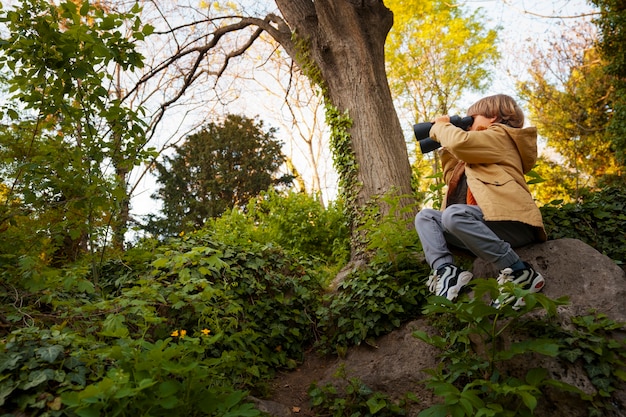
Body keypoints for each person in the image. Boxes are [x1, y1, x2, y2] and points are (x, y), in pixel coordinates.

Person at [414, 94, 547, 308]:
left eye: (471, 118)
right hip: (486, 226)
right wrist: (446, 146)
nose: (468, 123)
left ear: (493, 117)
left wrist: (442, 127)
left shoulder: (501, 136)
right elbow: (451, 177)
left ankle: (520, 272)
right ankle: (446, 272)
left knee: (454, 214)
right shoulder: (476, 151)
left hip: (513, 224)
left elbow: (461, 143)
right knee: (425, 217)